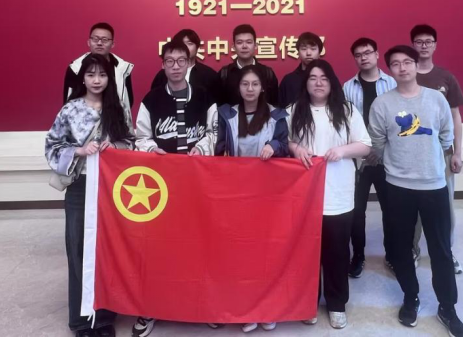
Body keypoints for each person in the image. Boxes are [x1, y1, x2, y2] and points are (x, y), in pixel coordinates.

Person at [368, 46, 463, 336]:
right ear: (390, 69)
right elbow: (377, 142)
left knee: (441, 250)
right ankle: (410, 298)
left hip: (434, 185)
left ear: (416, 65)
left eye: (407, 62)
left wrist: (431, 160)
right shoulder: (382, 104)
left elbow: (446, 136)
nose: (402, 68)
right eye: (396, 64)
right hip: (398, 187)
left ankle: (447, 308)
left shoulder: (436, 99)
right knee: (401, 248)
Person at [46, 54, 135, 337]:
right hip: (80, 187)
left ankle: (105, 317)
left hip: (110, 189)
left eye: (102, 75)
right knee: (78, 250)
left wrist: (116, 147)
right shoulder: (70, 110)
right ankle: (82, 320)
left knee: (107, 250)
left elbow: (132, 143)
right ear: (82, 78)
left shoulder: (118, 108)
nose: (97, 80)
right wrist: (79, 151)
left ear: (110, 79)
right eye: (91, 74)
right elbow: (52, 146)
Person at [132, 39, 217, 337]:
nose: (176, 66)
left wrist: (201, 148)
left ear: (190, 62)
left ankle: (202, 305)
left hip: (197, 184)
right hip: (161, 187)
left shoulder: (204, 97)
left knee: (199, 244)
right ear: (163, 64)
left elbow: (215, 131)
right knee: (157, 247)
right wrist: (152, 149)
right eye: (170, 61)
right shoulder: (151, 99)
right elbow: (140, 136)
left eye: (182, 61)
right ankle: (150, 308)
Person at [287, 60, 371, 330]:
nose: (318, 83)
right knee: (306, 254)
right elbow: (285, 140)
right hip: (304, 196)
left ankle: (337, 304)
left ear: (332, 82)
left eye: (324, 78)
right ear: (306, 83)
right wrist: (296, 149)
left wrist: (343, 151)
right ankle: (308, 302)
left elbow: (365, 145)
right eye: (313, 78)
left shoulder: (347, 110)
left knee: (336, 252)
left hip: (338, 194)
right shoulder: (294, 110)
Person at [214, 65, 288, 332]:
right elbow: (218, 147)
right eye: (245, 84)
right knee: (238, 254)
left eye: (255, 84)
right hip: (234, 195)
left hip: (266, 196)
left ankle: (266, 310)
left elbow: (286, 145)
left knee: (265, 254)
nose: (250, 89)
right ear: (238, 87)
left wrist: (274, 146)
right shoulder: (227, 114)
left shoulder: (277, 115)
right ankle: (244, 308)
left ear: (263, 88)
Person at [411, 24, 463, 274]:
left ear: (435, 45)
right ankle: (413, 249)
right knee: (412, 208)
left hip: (441, 153)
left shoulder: (446, 78)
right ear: (412, 44)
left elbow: (456, 117)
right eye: (419, 41)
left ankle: (446, 251)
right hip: (411, 154)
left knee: (445, 206)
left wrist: (457, 152)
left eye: (428, 41)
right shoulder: (405, 75)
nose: (424, 45)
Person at [342, 37, 397, 278]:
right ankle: (358, 256)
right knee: (357, 212)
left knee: (391, 210)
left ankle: (392, 255)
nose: (363, 57)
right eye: (358, 55)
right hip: (359, 161)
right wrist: (363, 151)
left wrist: (379, 150)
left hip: (388, 159)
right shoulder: (347, 87)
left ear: (376, 54)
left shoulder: (392, 83)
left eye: (367, 53)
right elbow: (345, 124)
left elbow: (397, 120)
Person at [63, 22, 135, 126]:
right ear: (89, 42)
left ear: (113, 44)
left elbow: (128, 101)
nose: (99, 43)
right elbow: (68, 101)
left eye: (105, 40)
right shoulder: (75, 68)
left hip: (115, 126)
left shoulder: (122, 68)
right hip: (83, 127)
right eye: (95, 39)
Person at [151, 28, 220, 103]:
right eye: (181, 44)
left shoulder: (209, 75)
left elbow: (218, 103)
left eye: (190, 43)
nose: (186, 47)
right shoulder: (163, 74)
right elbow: (154, 100)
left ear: (197, 47)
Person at [218, 24, 279, 107]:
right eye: (239, 42)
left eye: (249, 42)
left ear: (255, 45)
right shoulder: (224, 74)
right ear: (233, 46)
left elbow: (275, 106)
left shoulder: (267, 73)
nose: (244, 46)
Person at [278, 32, 323, 108]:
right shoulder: (288, 81)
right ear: (298, 52)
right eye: (304, 49)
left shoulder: (328, 79)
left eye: (313, 49)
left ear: (319, 53)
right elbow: (280, 110)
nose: (308, 53)